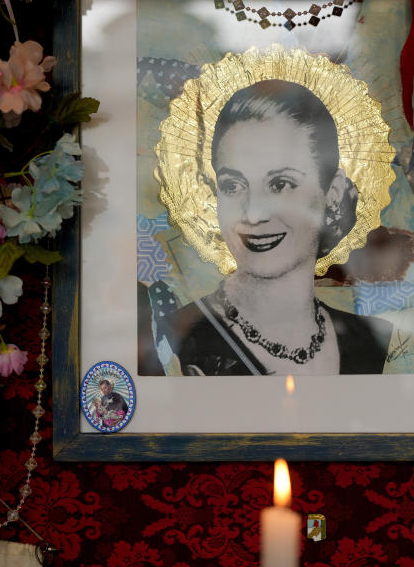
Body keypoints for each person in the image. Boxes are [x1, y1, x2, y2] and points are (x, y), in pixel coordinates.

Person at [152, 80, 394, 376]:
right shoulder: (171, 341)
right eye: (232, 185)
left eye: (280, 184)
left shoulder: (370, 341)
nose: (253, 214)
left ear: (332, 192)